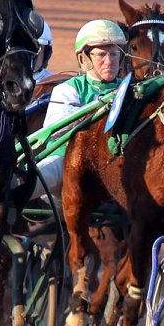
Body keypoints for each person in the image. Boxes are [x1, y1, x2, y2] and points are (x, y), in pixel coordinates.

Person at [32, 20, 129, 206]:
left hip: (114, 166)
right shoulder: (68, 89)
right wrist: (101, 109)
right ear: (84, 59)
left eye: (114, 54)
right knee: (23, 183)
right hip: (65, 162)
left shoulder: (129, 89)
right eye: (101, 54)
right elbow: (54, 128)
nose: (109, 61)